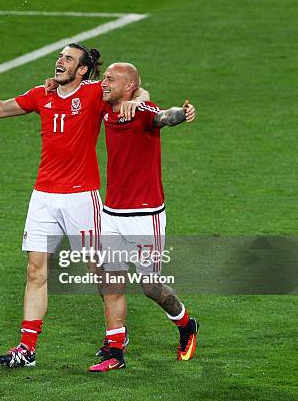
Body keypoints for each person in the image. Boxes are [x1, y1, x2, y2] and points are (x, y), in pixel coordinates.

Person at [0, 44, 150, 368]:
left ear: (83, 70)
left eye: (68, 58)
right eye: (60, 56)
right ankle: (27, 348)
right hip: (43, 196)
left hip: (81, 197)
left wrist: (138, 101)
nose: (60, 61)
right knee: (35, 270)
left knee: (99, 270)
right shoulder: (40, 94)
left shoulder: (92, 95)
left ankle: (116, 338)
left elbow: (136, 90)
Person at [88, 62, 198, 372]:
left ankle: (186, 325)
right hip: (111, 212)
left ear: (129, 87)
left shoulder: (142, 111)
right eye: (104, 76)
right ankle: (115, 349)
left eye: (111, 79)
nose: (104, 82)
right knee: (109, 280)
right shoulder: (105, 104)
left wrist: (181, 114)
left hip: (145, 214)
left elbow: (165, 116)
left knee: (150, 286)